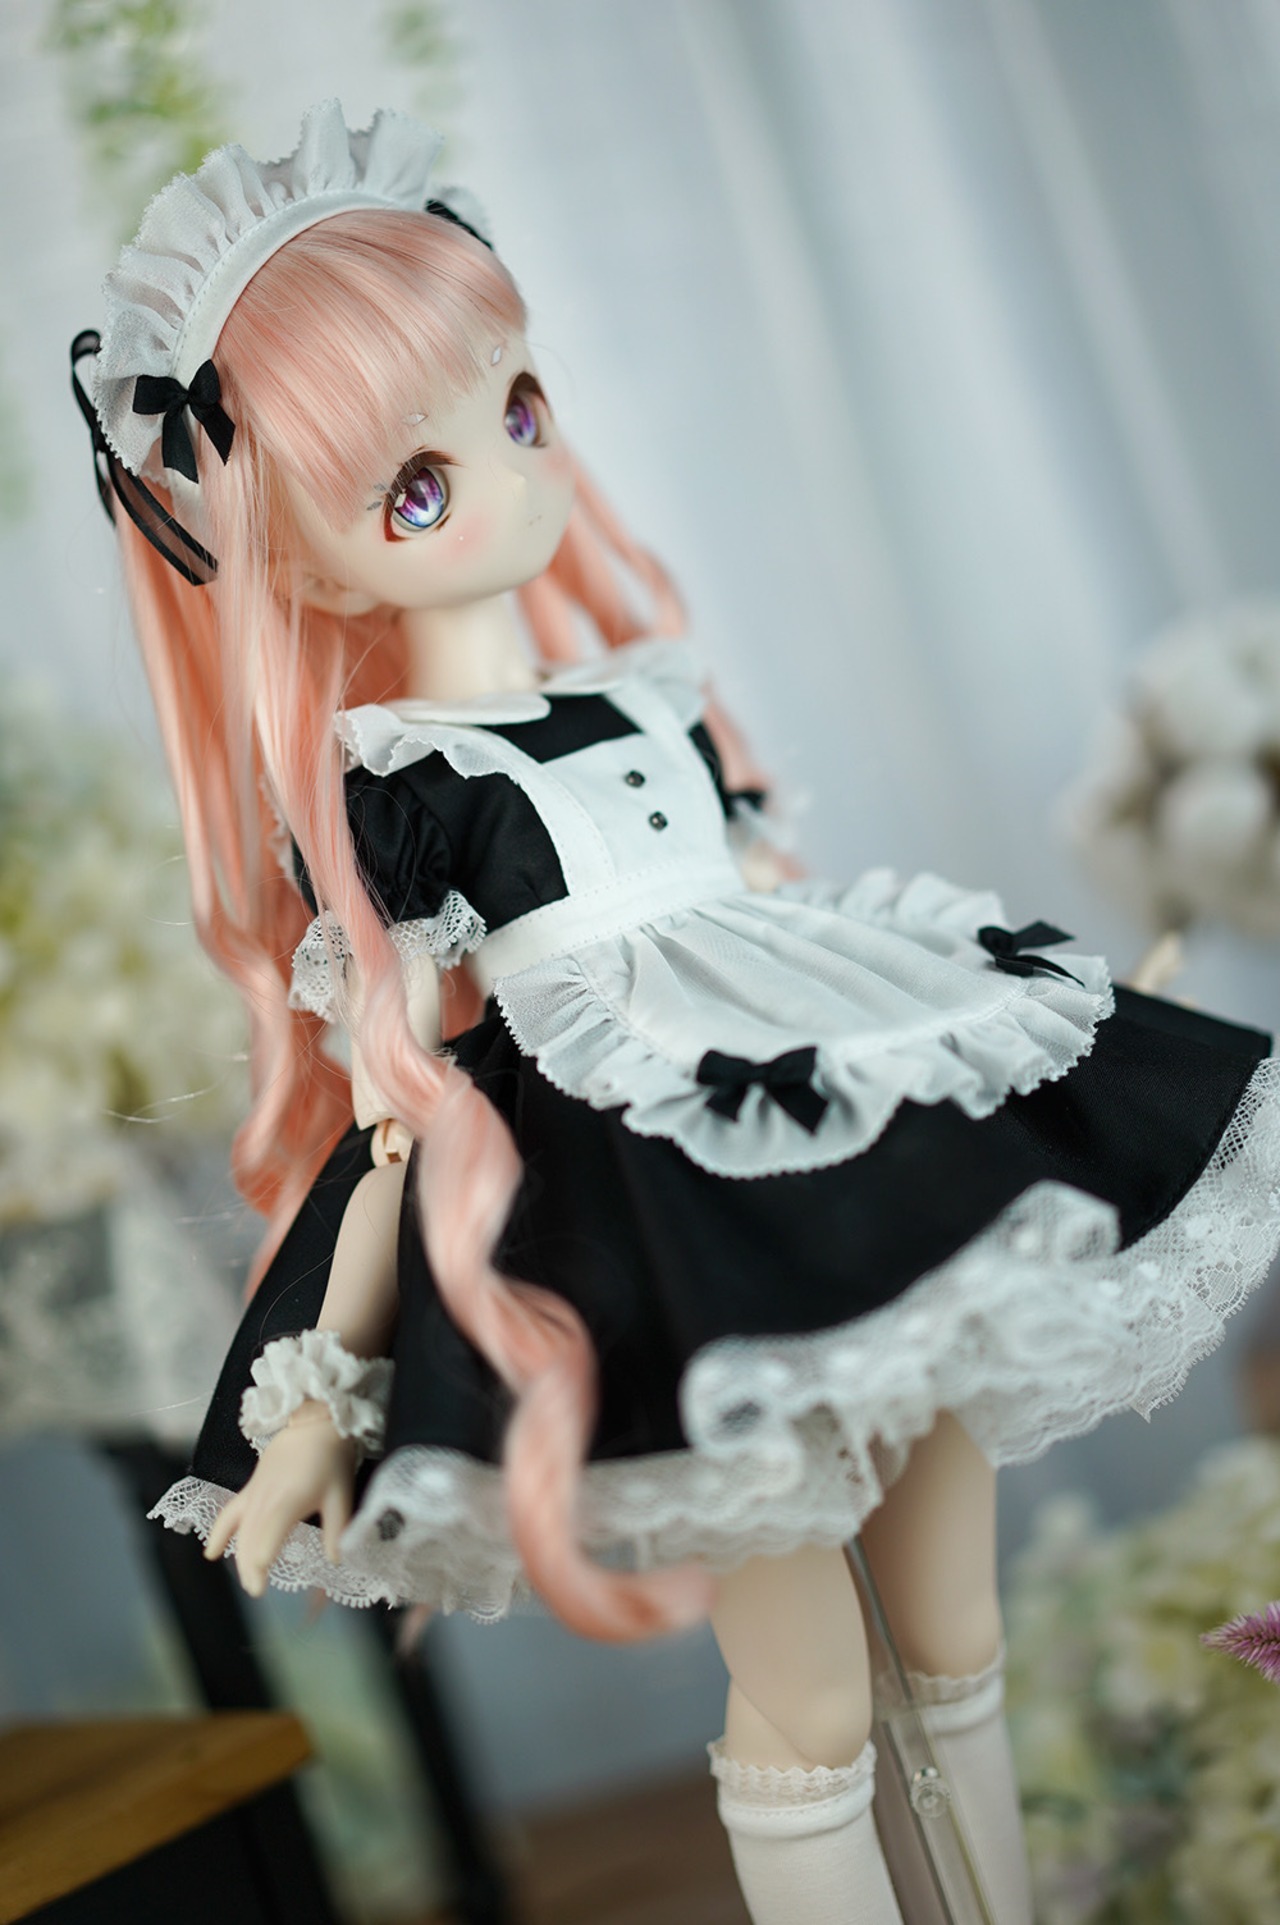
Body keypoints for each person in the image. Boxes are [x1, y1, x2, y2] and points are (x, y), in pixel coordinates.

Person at [76, 101, 1280, 1924]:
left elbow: (784, 914)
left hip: (836, 1137)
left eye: (520, 408)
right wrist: (316, 1385)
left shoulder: (645, 697)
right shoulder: (405, 786)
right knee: (808, 1695)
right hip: (661, 1208)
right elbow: (399, 1109)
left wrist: (1033, 1023)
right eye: (418, 487)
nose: (512, 476)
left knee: (956, 1626)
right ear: (301, 562)